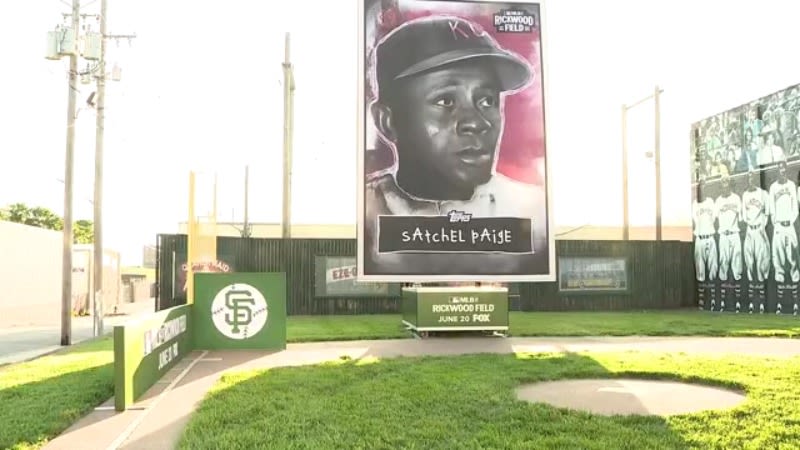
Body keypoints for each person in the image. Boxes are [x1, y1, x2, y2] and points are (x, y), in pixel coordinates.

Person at [363, 15, 548, 275]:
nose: (477, 122)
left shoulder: (534, 213)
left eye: (486, 101)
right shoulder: (366, 212)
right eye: (446, 101)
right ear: (387, 121)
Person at [768, 160, 799, 283]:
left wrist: (790, 221)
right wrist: (776, 224)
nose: (782, 170)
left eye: (783, 168)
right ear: (777, 170)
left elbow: (795, 208)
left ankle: (795, 281)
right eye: (780, 168)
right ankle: (780, 287)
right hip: (779, 226)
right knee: (778, 256)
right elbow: (772, 210)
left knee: (793, 256)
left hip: (789, 225)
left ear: (786, 169)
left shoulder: (791, 185)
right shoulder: (773, 187)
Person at [742, 170, 771, 282]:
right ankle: (752, 286)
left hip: (759, 228)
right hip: (750, 229)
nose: (751, 179)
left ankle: (761, 284)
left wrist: (763, 226)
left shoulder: (763, 193)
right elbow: (744, 216)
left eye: (753, 177)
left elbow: (767, 213)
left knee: (761, 259)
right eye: (749, 177)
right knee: (749, 259)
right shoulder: (745, 195)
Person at [715, 175, 742, 282]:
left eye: (727, 182)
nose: (725, 185)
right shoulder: (717, 201)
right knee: (723, 263)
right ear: (721, 185)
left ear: (730, 184)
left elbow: (741, 219)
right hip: (723, 235)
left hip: (734, 234)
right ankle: (723, 291)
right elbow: (715, 219)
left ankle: (738, 291)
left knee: (737, 263)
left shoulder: (736, 198)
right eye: (723, 183)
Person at [693, 180, 718, 282]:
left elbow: (714, 219)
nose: (702, 188)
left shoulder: (711, 202)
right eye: (700, 186)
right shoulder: (694, 204)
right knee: (700, 271)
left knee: (713, 270)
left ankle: (713, 290)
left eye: (704, 186)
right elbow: (695, 220)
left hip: (710, 237)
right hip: (700, 239)